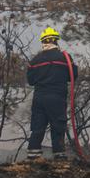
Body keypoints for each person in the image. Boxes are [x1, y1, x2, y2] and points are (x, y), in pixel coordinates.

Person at [26, 27, 77, 160]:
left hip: (39, 98)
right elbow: (73, 76)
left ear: (43, 42)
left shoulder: (35, 60)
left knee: (38, 125)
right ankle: (59, 154)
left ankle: (33, 154)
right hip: (56, 97)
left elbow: (30, 81)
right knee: (58, 125)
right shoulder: (64, 57)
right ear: (56, 41)